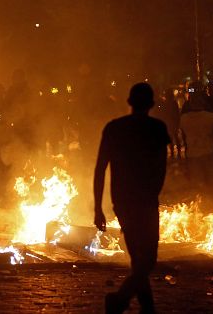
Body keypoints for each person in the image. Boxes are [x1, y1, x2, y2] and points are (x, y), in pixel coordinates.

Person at [94, 83, 169, 314]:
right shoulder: (157, 128)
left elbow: (100, 169)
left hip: (124, 201)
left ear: (130, 102)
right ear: (151, 104)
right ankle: (120, 300)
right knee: (148, 260)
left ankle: (145, 308)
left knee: (139, 259)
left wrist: (99, 208)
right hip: (145, 200)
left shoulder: (114, 128)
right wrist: (154, 192)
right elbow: (162, 167)